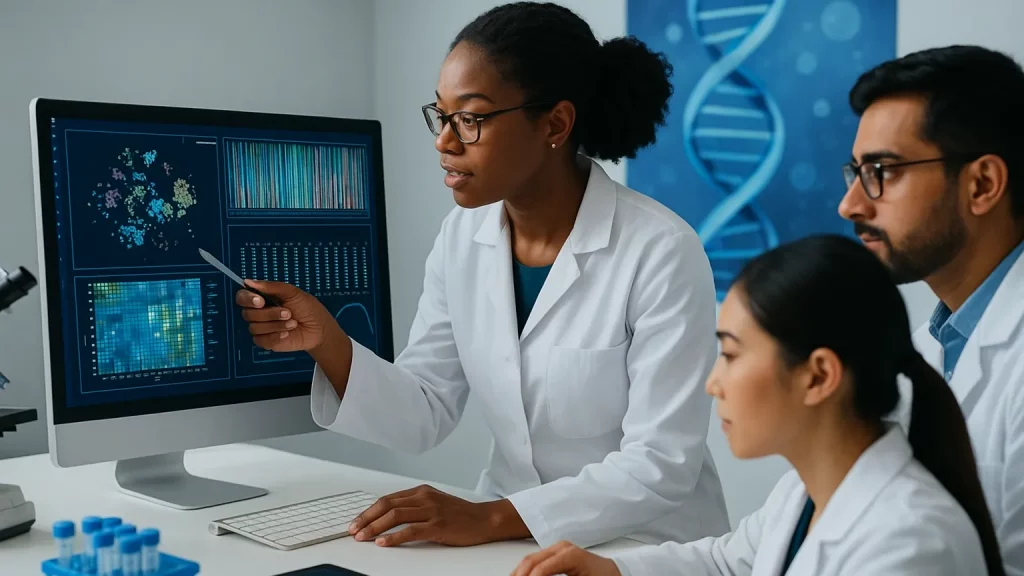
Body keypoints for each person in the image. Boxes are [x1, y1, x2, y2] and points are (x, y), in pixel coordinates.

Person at [236, 1, 730, 550]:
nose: (444, 142)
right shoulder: (461, 238)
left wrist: (488, 517)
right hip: (513, 536)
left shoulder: (660, 250)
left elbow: (659, 465)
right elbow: (425, 410)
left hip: (645, 547)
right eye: (441, 115)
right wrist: (326, 340)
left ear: (555, 124)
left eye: (470, 119)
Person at [511, 235, 1003, 576]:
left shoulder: (910, 544)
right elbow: (730, 564)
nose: (713, 384)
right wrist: (611, 570)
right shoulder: (804, 493)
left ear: (819, 376)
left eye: (730, 354)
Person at [838, 45, 1024, 574]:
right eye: (855, 171)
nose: (850, 204)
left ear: (982, 184)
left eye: (882, 171)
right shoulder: (929, 344)